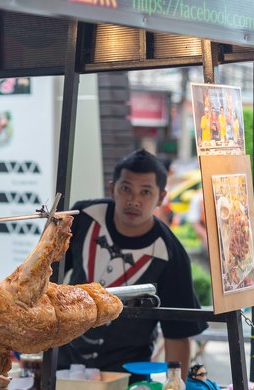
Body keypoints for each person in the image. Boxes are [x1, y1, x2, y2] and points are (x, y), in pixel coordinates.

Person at [58, 149, 206, 377]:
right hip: (64, 366)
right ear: (112, 188)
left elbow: (177, 333)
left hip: (129, 376)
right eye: (126, 189)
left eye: (145, 192)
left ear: (161, 197)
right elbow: (46, 280)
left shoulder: (169, 251)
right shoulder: (83, 218)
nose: (134, 201)